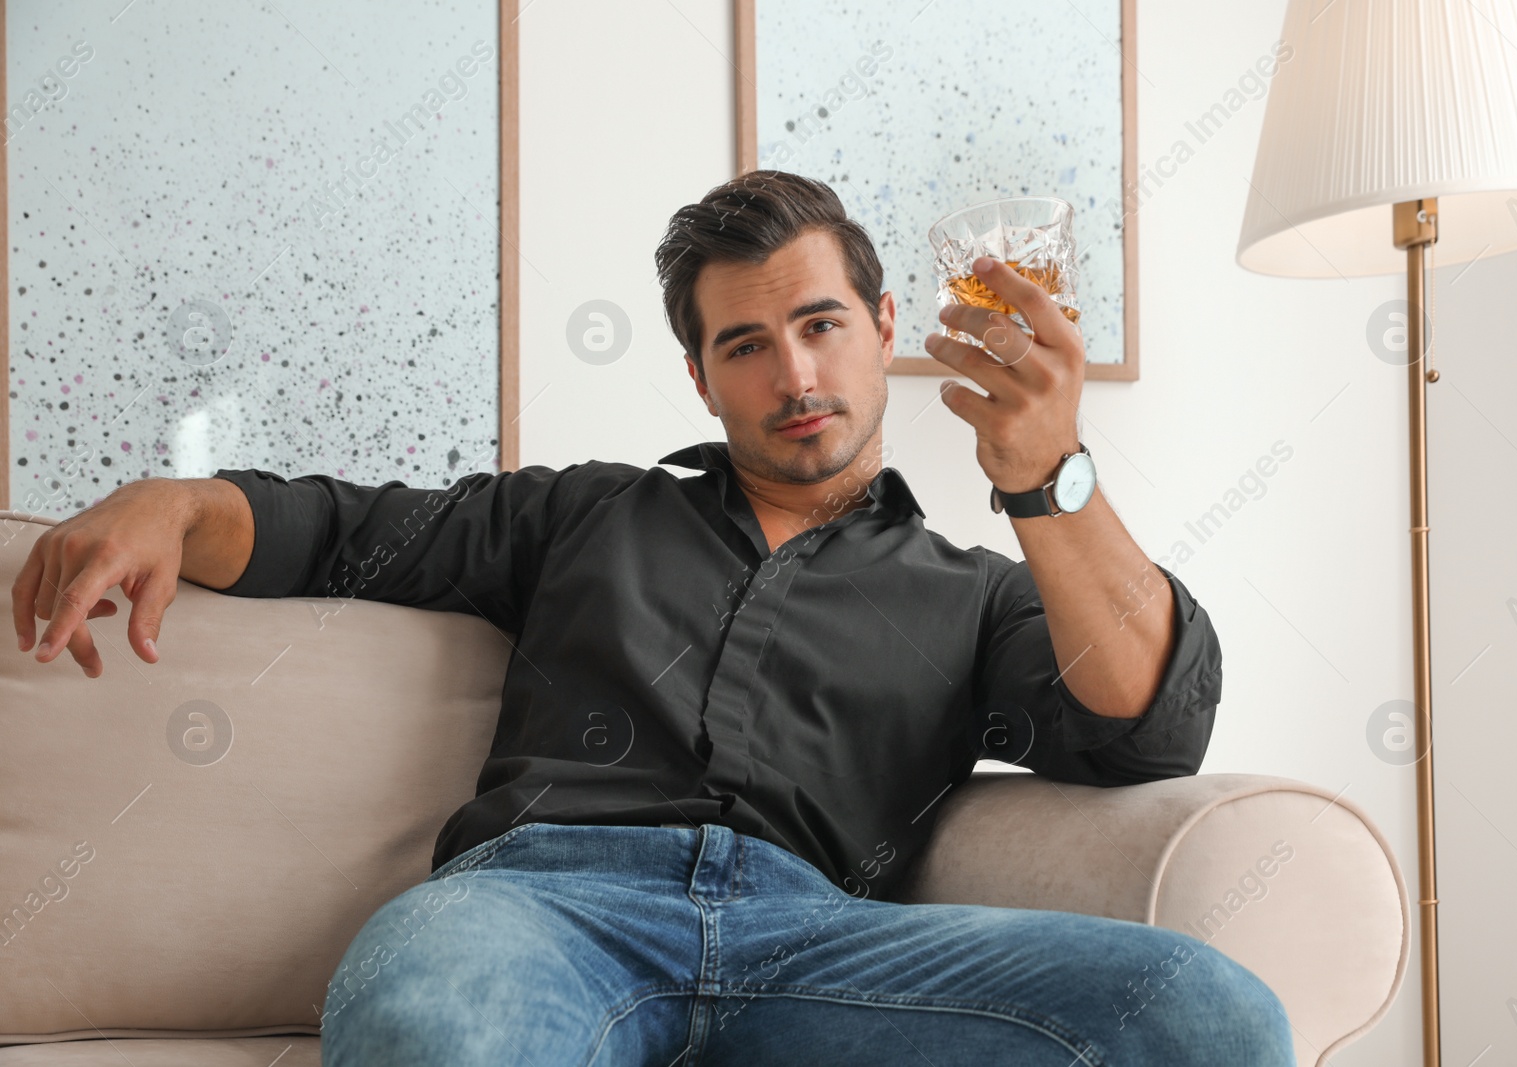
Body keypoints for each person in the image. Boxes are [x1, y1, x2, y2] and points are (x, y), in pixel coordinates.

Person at [10, 170, 1295, 1065]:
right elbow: (346, 529)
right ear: (699, 372)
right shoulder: (586, 514)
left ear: (884, 327)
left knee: (1200, 1009)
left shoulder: (972, 590)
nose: (793, 373)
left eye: (820, 324)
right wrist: (176, 501)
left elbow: (1143, 728)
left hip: (820, 943)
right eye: (745, 344)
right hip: (535, 914)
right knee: (437, 1020)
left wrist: (1046, 476)